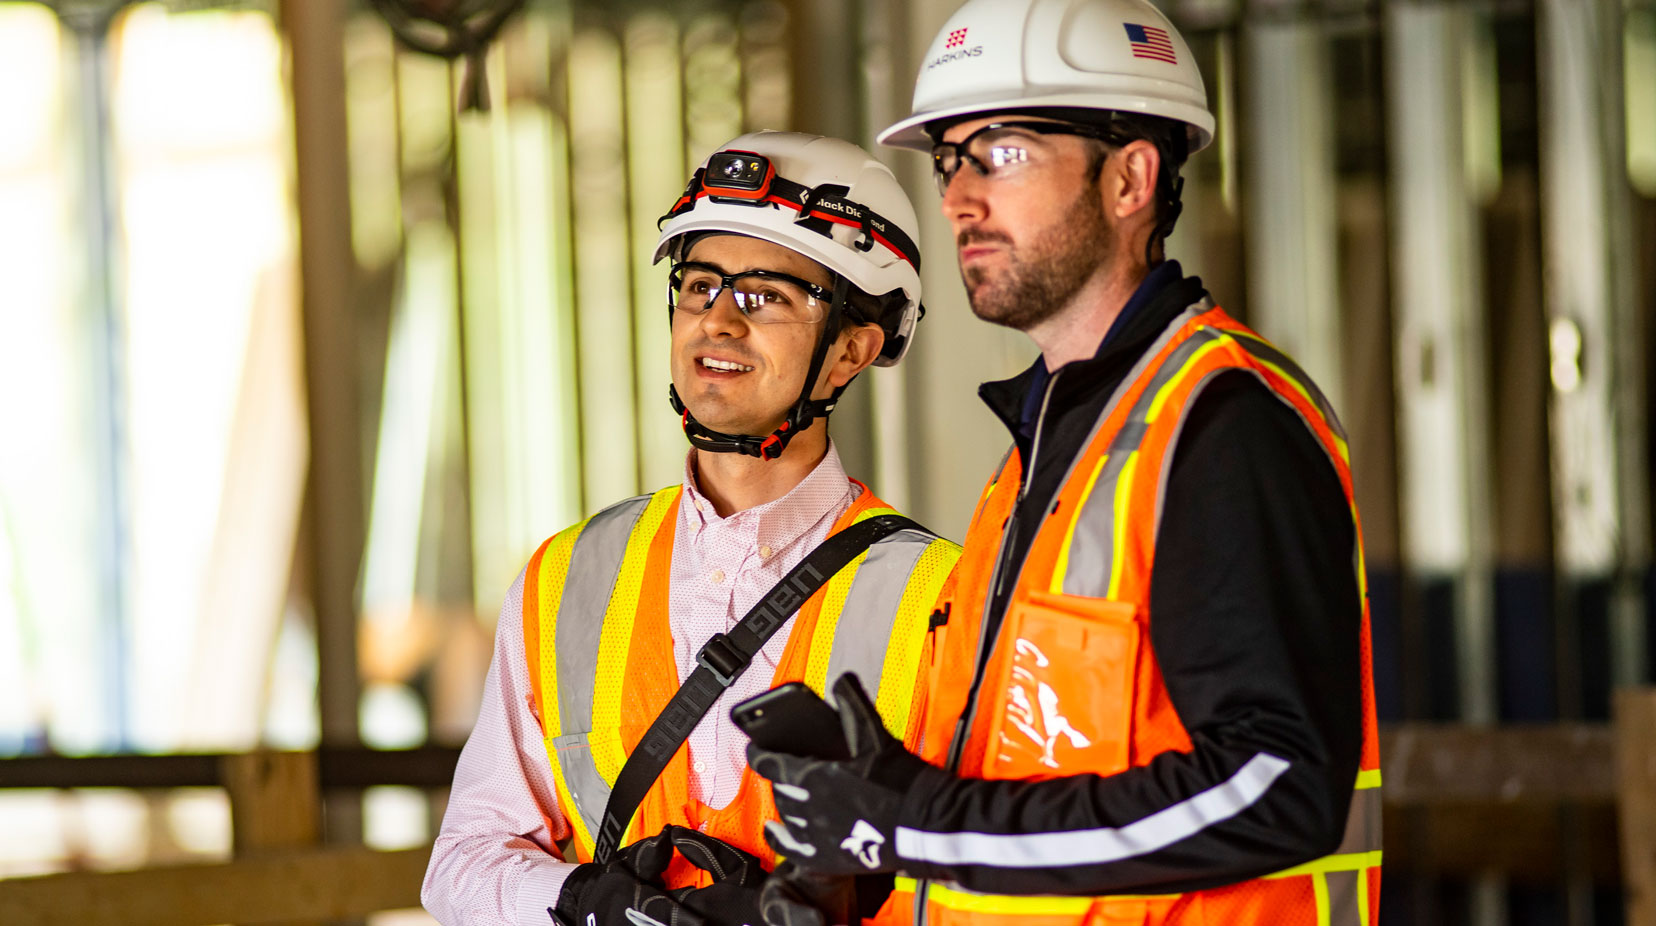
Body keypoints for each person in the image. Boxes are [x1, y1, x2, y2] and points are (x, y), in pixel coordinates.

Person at [747, 1, 1382, 924]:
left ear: (1129, 179)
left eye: (1000, 154)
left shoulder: (1222, 426)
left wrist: (914, 820)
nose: (958, 198)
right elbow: (1039, 775)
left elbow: (1277, 785)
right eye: (948, 160)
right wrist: (875, 811)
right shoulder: (1042, 454)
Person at [423, 131, 960, 926]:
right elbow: (461, 864)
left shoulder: (948, 597)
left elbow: (1002, 876)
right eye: (699, 285)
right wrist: (587, 903)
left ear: (853, 348)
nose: (717, 321)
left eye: (766, 295)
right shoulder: (566, 577)